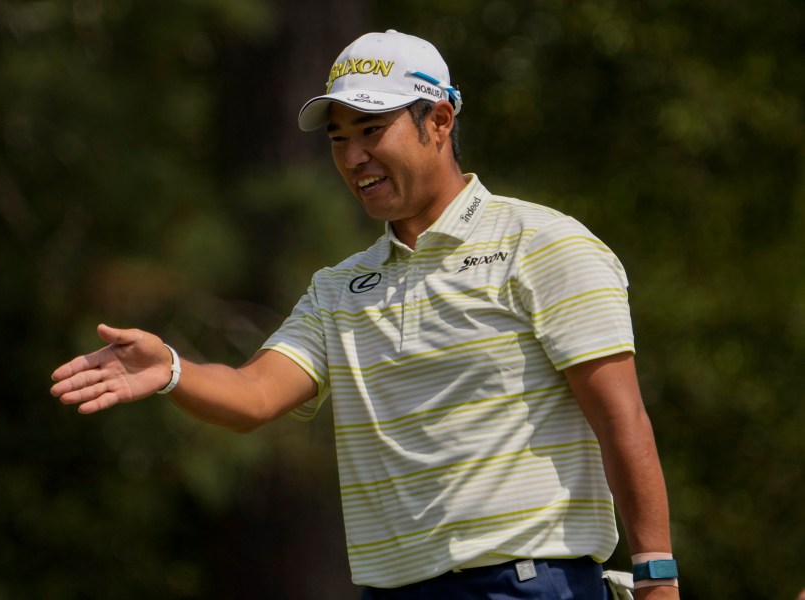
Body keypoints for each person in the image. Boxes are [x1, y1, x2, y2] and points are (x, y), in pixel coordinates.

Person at [51, 30, 680, 599]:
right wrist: (173, 370)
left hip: (526, 584)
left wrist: (656, 573)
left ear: (438, 120)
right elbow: (253, 394)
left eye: (372, 131)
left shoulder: (542, 244)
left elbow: (619, 416)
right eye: (339, 139)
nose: (353, 158)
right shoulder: (339, 287)